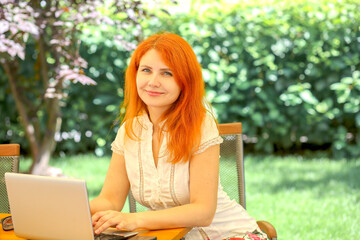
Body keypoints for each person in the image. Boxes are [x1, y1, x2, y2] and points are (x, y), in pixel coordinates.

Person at [90, 32, 269, 240]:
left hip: (229, 235)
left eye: (167, 73)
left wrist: (135, 219)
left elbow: (203, 211)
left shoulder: (201, 126)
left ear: (185, 80)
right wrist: (70, 211)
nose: (153, 82)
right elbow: (110, 200)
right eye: (146, 70)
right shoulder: (129, 131)